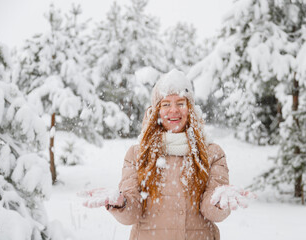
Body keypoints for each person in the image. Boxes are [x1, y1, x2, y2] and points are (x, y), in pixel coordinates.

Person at [80, 69, 253, 240]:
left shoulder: (212, 153)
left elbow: (212, 211)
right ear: (157, 110)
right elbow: (132, 212)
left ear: (190, 108)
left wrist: (218, 202)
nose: (173, 111)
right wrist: (121, 203)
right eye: (166, 104)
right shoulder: (137, 154)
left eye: (180, 103)